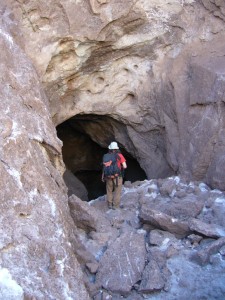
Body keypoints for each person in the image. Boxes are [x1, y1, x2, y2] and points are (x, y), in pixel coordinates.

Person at [102, 141, 127, 209]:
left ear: (110, 148)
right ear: (116, 148)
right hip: (117, 176)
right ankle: (115, 206)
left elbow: (104, 166)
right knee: (117, 191)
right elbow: (125, 166)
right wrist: (120, 168)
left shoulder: (106, 156)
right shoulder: (119, 155)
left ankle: (110, 204)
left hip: (108, 176)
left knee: (109, 190)